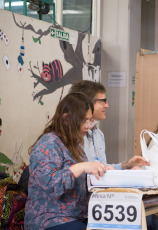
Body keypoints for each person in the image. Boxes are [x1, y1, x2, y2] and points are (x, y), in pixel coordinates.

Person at [68, 80, 158, 230]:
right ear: (86, 103)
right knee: (147, 220)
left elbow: (103, 168)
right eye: (103, 101)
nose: (107, 105)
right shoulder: (72, 136)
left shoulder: (98, 134)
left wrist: (126, 166)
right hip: (84, 204)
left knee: (152, 220)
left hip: (101, 199)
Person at [25, 92, 111, 230]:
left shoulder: (73, 145)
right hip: (50, 219)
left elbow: (85, 177)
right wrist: (81, 167)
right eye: (84, 120)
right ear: (66, 119)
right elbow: (51, 185)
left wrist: (105, 171)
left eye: (90, 120)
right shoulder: (48, 144)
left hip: (76, 216)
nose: (88, 126)